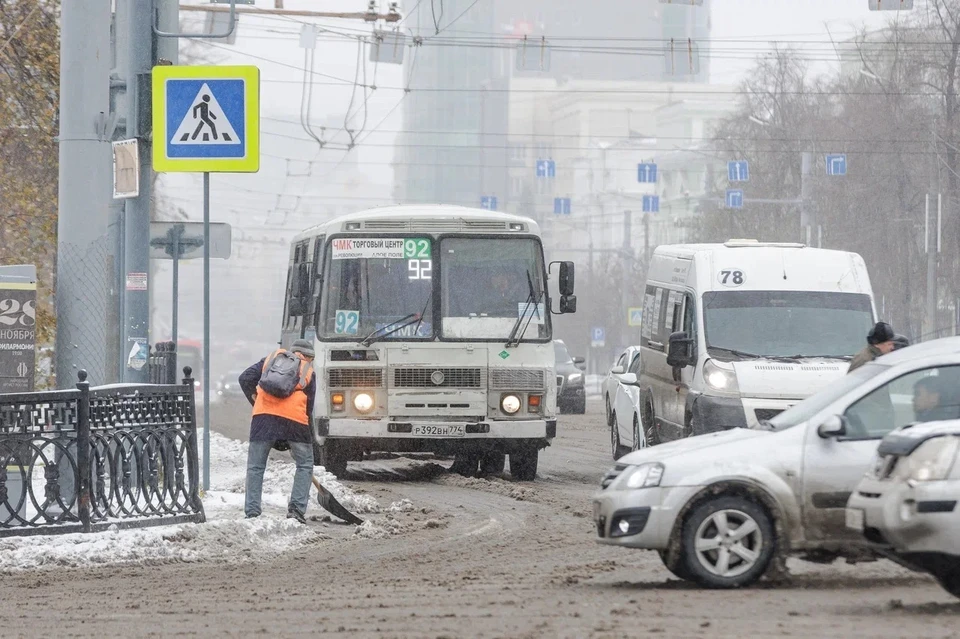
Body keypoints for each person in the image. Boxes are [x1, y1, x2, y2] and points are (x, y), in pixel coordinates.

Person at [239, 340, 317, 523]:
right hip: (295, 422)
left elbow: (244, 378)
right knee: (304, 465)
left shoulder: (271, 359)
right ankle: (296, 511)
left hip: (263, 418)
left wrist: (256, 400)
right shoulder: (307, 370)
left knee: (255, 467)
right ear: (308, 357)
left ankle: (252, 512)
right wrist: (302, 438)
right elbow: (309, 407)